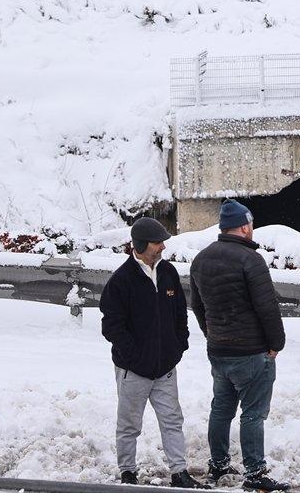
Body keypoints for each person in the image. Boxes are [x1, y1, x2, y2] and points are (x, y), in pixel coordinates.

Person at [99, 218, 206, 488]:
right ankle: (128, 472)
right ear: (142, 245)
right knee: (129, 425)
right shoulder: (120, 281)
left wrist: (179, 344)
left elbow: (180, 311)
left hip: (165, 368)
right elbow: (111, 326)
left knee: (173, 420)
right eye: (158, 242)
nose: (163, 246)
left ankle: (179, 472)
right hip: (132, 370)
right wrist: (134, 357)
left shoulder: (168, 272)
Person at [189, 200, 288, 493]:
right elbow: (267, 306)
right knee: (253, 413)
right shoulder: (250, 259)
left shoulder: (201, 259)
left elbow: (197, 306)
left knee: (221, 409)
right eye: (251, 224)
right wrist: (275, 343)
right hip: (251, 352)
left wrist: (213, 335)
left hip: (219, 350)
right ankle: (255, 474)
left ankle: (218, 464)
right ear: (245, 226)